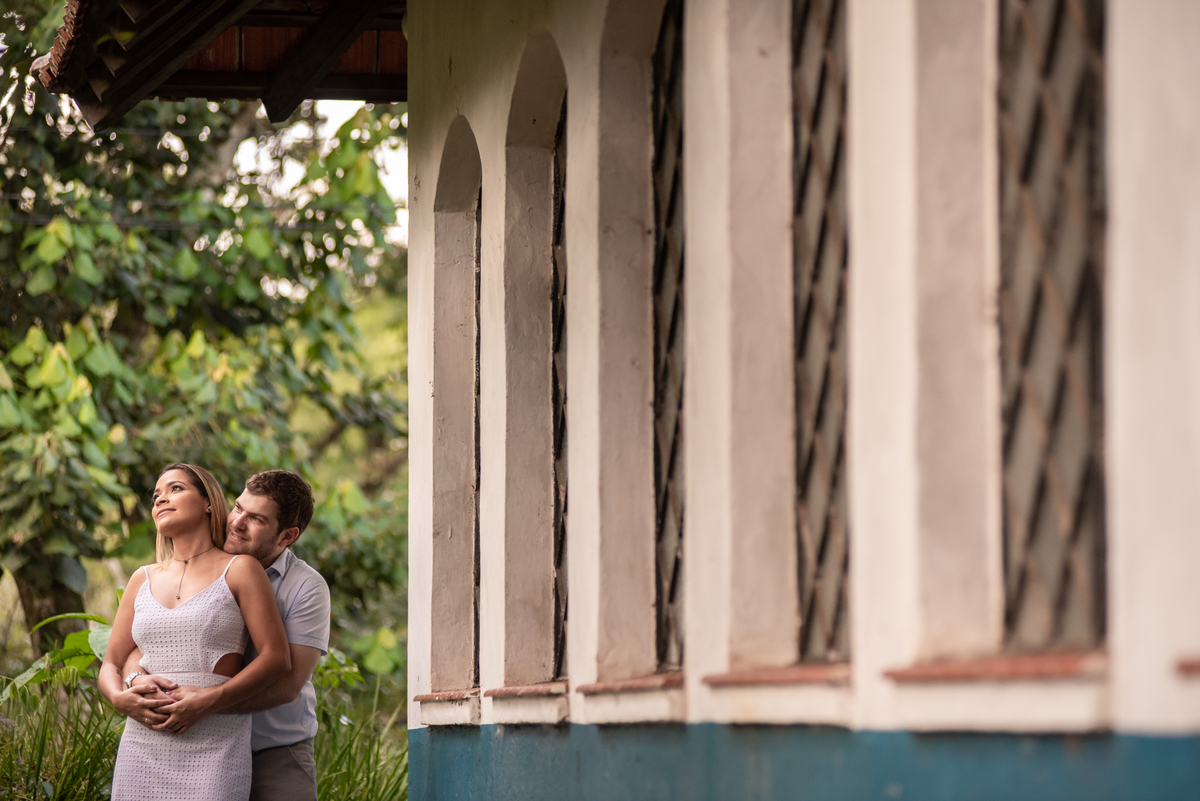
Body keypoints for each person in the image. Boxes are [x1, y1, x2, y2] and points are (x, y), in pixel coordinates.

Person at [115, 470, 331, 801]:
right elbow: (146, 638)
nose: (237, 522)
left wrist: (206, 705)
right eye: (238, 507)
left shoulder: (306, 587)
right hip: (180, 733)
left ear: (286, 536)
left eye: (255, 518)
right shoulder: (201, 560)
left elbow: (287, 685)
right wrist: (133, 679)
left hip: (272, 749)